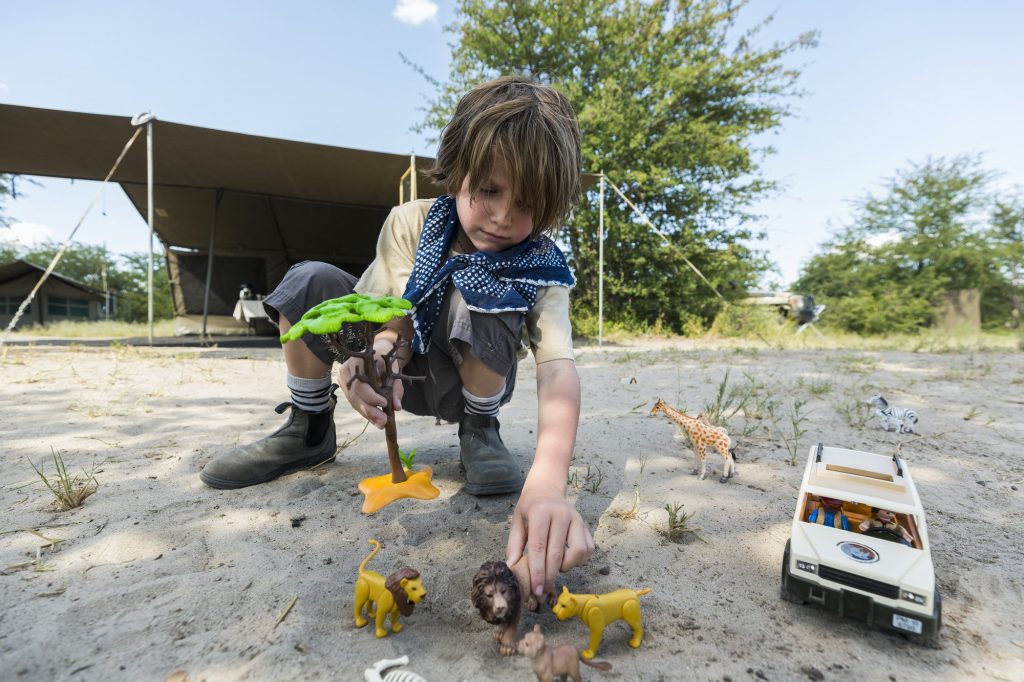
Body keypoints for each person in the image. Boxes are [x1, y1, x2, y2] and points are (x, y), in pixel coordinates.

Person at [200, 75, 595, 597]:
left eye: (525, 205)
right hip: (406, 369)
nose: (502, 217)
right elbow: (390, 310)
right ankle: (309, 427)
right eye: (490, 191)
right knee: (309, 282)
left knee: (485, 289)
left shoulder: (542, 266)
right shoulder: (412, 222)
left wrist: (547, 483)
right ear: (457, 170)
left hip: (467, 384)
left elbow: (557, 369)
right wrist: (371, 357)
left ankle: (480, 433)